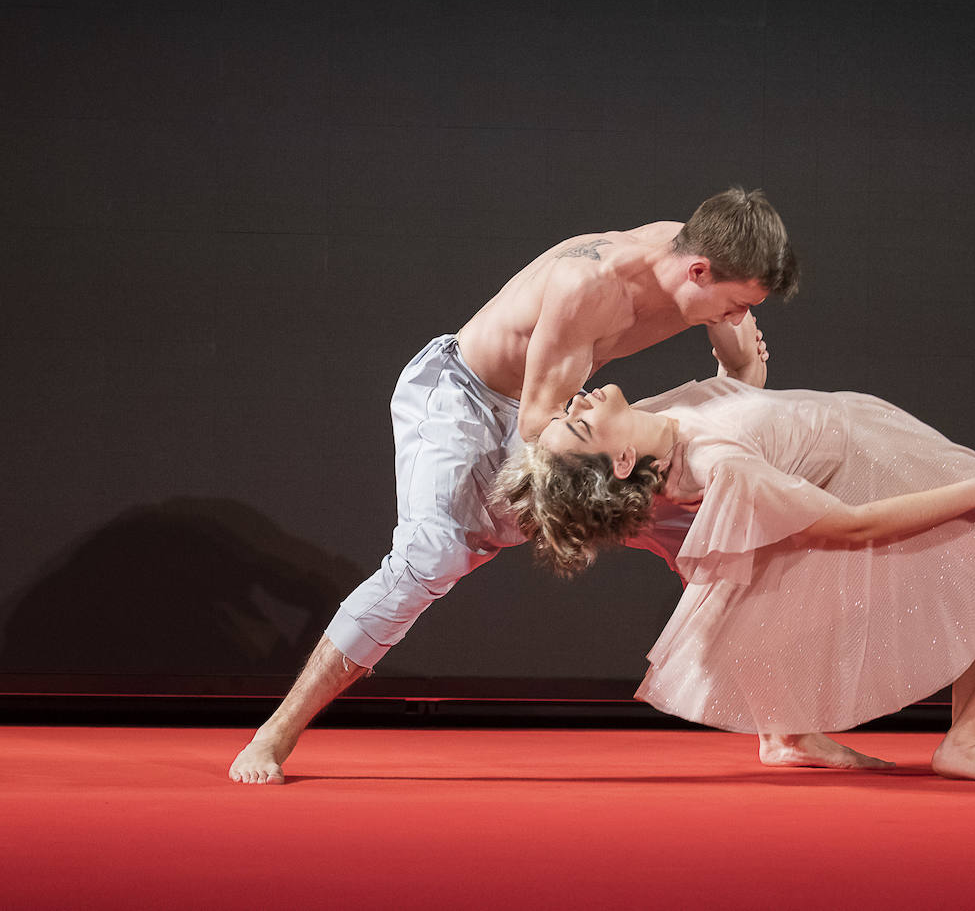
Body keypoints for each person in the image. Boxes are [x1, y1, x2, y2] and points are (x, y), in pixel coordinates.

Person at [230, 187, 859, 784]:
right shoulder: (590, 284)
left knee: (721, 537)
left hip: (568, 422)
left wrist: (736, 380)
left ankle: (787, 729)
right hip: (468, 401)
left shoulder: (704, 261)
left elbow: (739, 385)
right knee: (432, 556)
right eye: (738, 304)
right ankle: (275, 733)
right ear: (697, 271)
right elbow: (538, 425)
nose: (740, 317)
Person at [494, 378, 975, 784]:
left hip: (873, 439)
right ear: (622, 461)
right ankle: (967, 740)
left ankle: (798, 734)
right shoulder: (722, 469)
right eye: (578, 424)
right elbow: (853, 526)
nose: (577, 403)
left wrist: (734, 346)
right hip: (881, 472)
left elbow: (745, 405)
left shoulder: (652, 425)